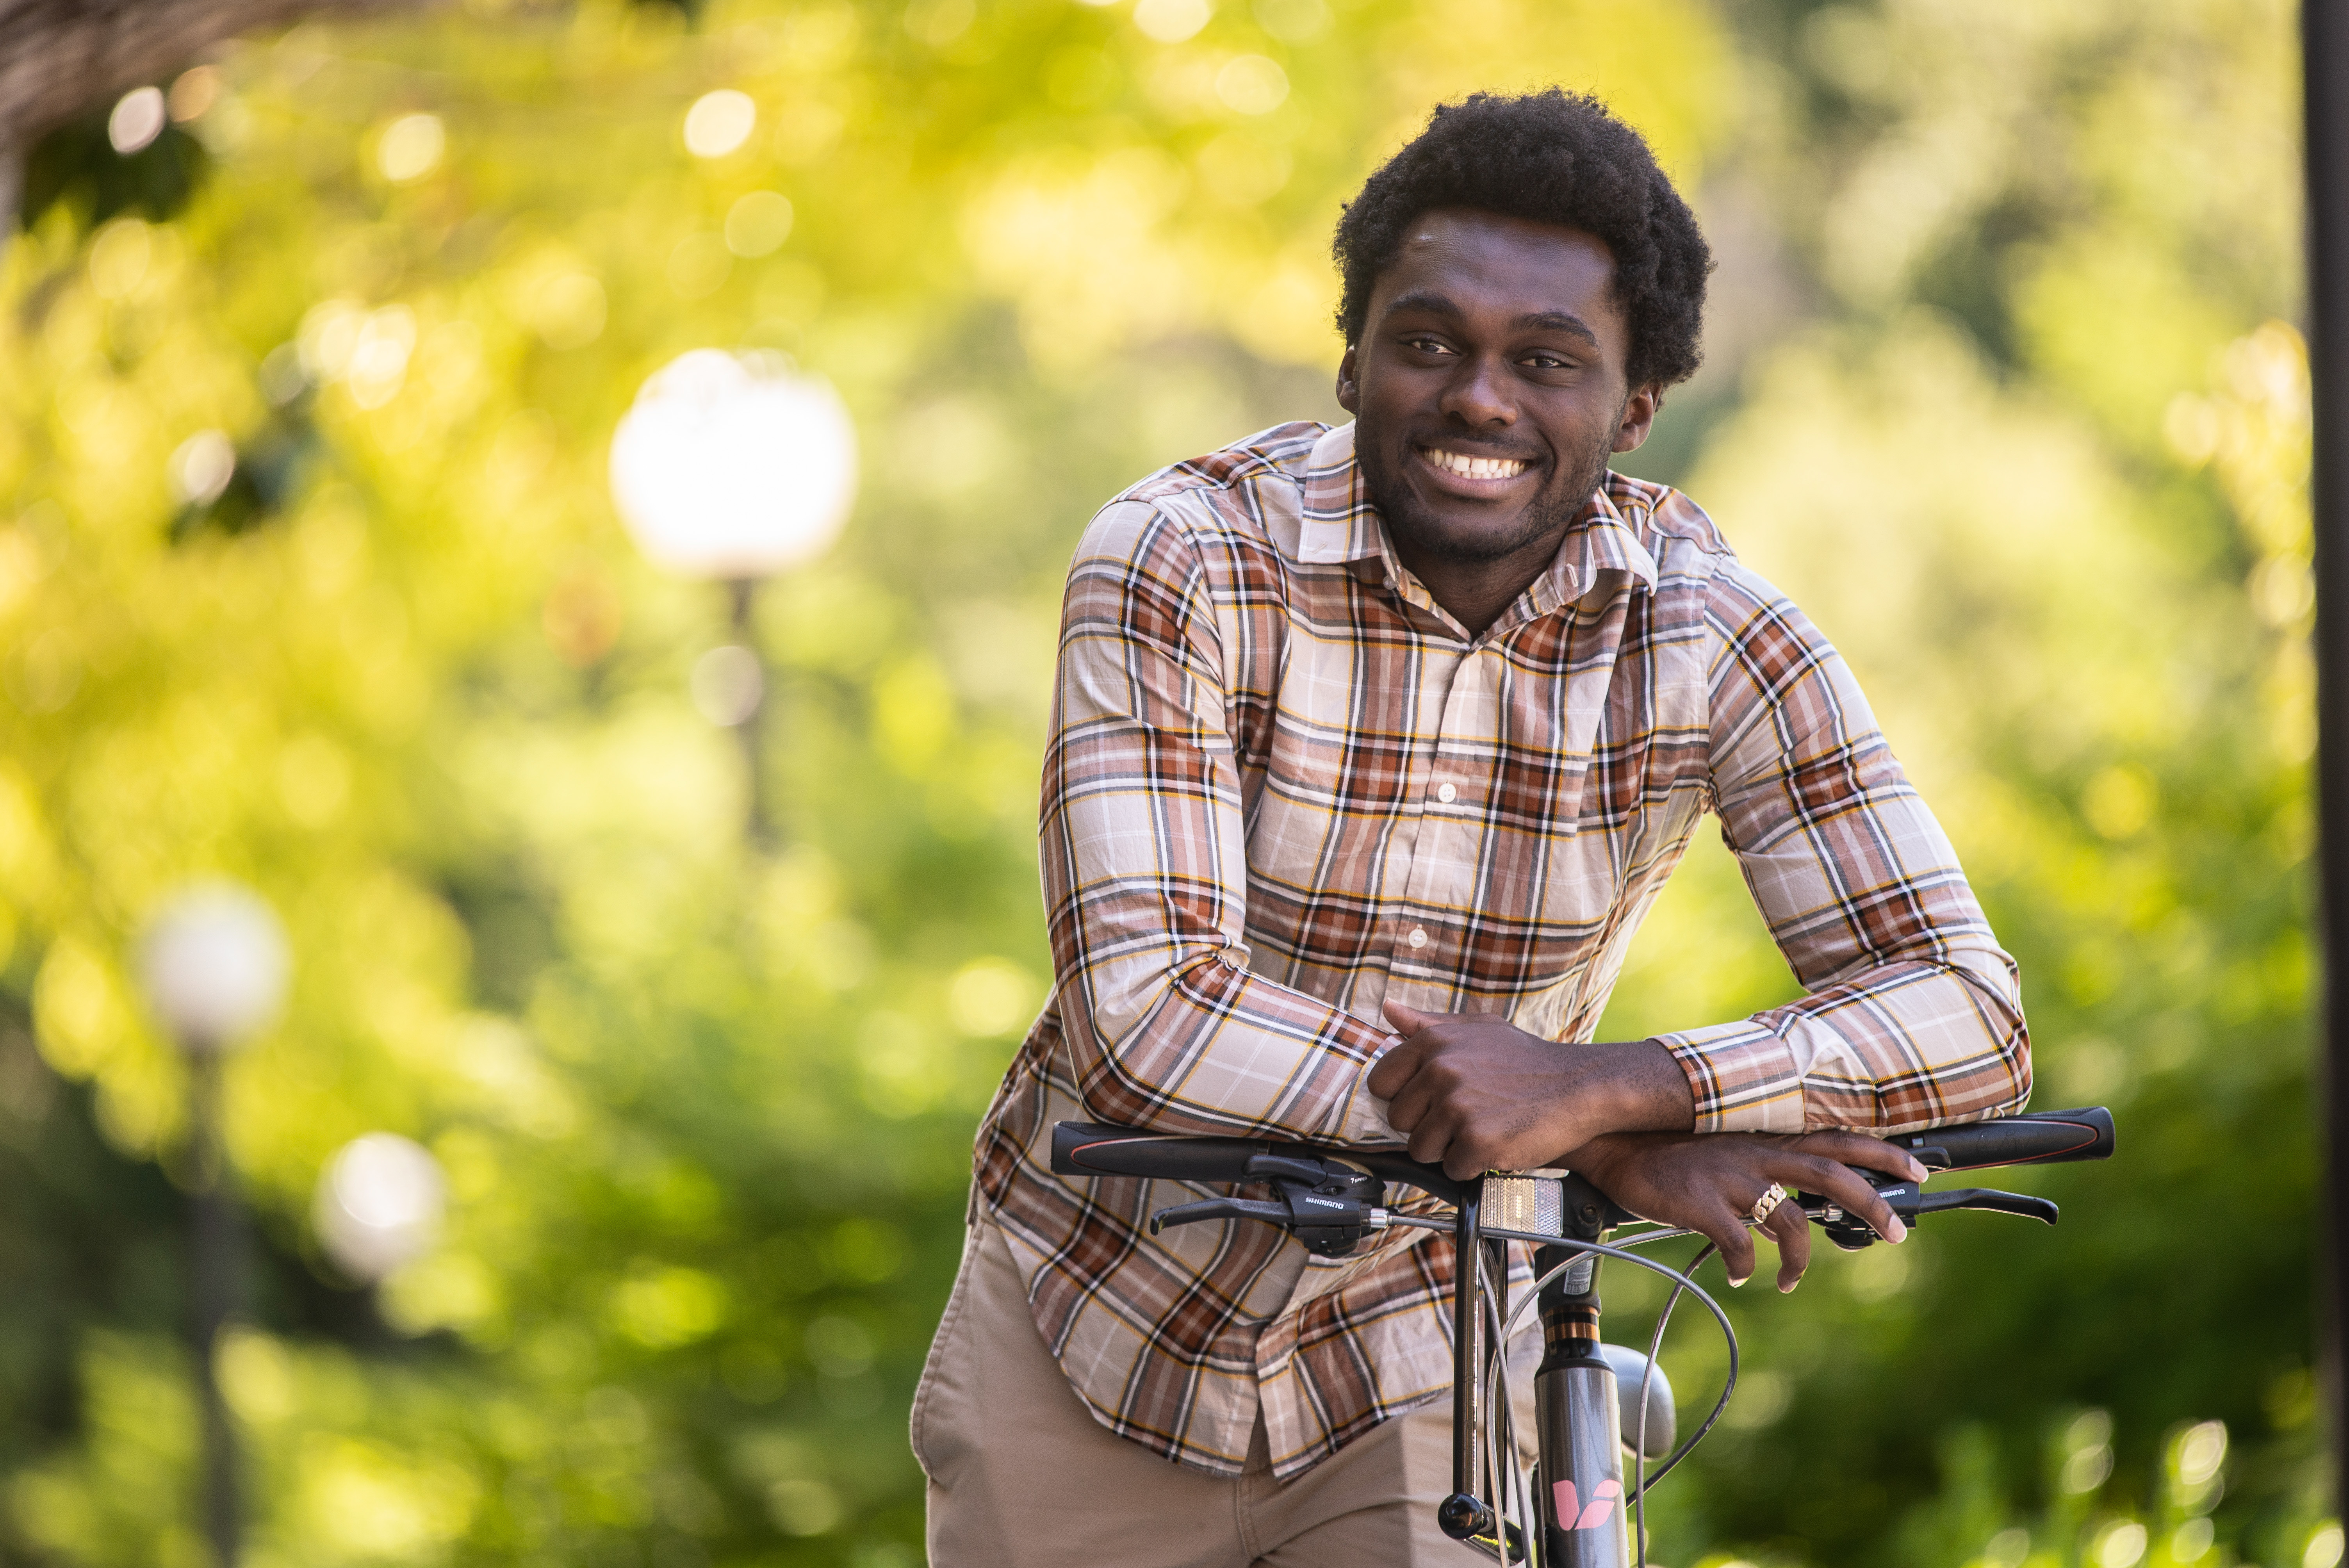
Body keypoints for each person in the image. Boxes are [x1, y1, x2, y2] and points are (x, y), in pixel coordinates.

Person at [912, 88, 2028, 1567]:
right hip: (1099, 1324)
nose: (1479, 399)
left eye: (1547, 361)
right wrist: (1576, 1144)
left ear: (1635, 411)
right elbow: (1148, 1014)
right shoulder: (1183, 556)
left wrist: (1619, 1090)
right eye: (1428, 343)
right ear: (1355, 356)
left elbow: (1968, 1013)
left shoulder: (1713, 634)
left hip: (1436, 1353)